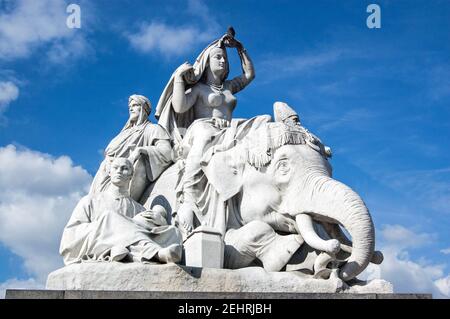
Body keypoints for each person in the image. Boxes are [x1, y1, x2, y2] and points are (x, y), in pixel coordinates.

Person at [155, 28, 262, 238]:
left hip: (229, 129)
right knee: (204, 136)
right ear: (207, 61)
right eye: (218, 57)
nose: (223, 60)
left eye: (224, 58)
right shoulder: (199, 89)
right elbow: (179, 107)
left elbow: (250, 74)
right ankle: (188, 195)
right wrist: (178, 78)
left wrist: (240, 49)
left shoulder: (230, 86)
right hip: (203, 127)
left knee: (259, 126)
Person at [60, 157, 183, 265]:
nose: (119, 171)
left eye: (124, 168)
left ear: (131, 175)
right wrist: (107, 225)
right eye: (116, 168)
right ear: (109, 172)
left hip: (129, 246)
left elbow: (148, 231)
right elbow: (71, 235)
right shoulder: (90, 201)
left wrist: (159, 221)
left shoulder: (139, 209)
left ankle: (124, 250)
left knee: (174, 232)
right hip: (96, 243)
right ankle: (154, 252)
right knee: (110, 217)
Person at [90, 94, 172, 202]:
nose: (131, 109)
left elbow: (167, 151)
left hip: (126, 174)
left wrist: (141, 150)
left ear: (144, 108)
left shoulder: (153, 129)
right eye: (130, 107)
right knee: (94, 205)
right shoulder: (124, 133)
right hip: (105, 173)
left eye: (135, 105)